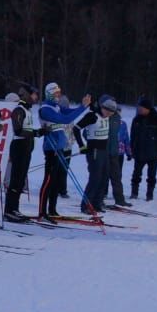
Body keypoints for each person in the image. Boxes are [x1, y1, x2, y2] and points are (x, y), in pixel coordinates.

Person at [37, 82, 94, 219]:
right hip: (51, 148)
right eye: (56, 93)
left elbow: (70, 112)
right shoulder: (45, 109)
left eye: (59, 93)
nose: (58, 95)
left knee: (56, 180)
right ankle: (42, 211)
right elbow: (66, 119)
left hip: (60, 148)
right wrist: (82, 107)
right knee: (49, 180)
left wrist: (83, 107)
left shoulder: (56, 106)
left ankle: (52, 209)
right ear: (49, 94)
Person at [3, 84, 38, 223]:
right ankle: (9, 210)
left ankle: (14, 208)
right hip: (18, 147)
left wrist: (36, 133)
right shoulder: (19, 109)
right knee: (15, 179)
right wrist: (35, 132)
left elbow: (27, 130)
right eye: (34, 94)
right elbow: (18, 130)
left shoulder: (28, 110)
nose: (36, 97)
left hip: (26, 148)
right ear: (27, 95)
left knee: (20, 181)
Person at [79, 95, 115, 214]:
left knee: (105, 177)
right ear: (104, 108)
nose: (110, 115)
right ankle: (86, 205)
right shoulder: (92, 116)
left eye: (112, 113)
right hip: (93, 151)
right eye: (109, 112)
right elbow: (75, 129)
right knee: (95, 178)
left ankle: (97, 203)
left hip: (104, 151)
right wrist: (81, 145)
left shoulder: (105, 116)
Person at [129, 97, 157, 200]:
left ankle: (150, 194)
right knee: (136, 174)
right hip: (139, 151)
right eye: (139, 107)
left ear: (148, 108)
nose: (140, 109)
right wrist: (131, 147)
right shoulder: (136, 120)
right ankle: (134, 192)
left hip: (153, 152)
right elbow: (133, 135)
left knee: (151, 176)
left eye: (142, 108)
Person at [109, 101, 131, 206]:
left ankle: (119, 199)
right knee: (103, 176)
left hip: (119, 153)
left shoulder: (122, 124)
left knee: (117, 176)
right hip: (106, 152)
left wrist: (129, 152)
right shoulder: (106, 120)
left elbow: (126, 138)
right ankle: (100, 196)